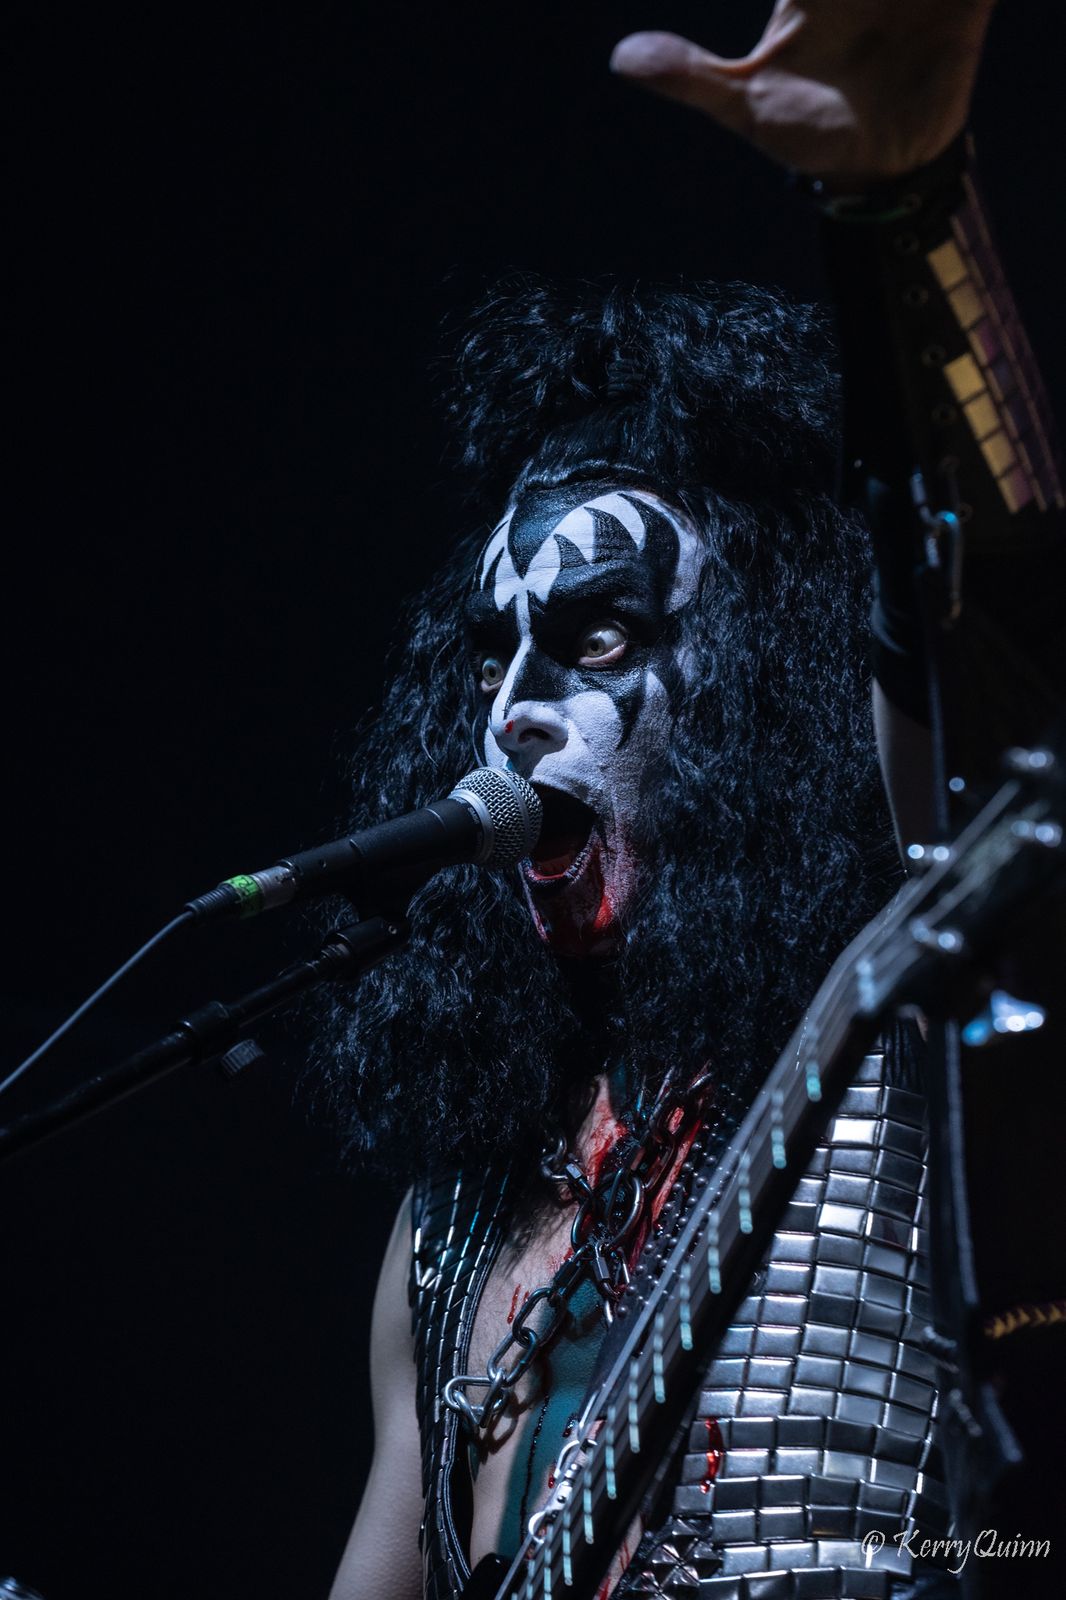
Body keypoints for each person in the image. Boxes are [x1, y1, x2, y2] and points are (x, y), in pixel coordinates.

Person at [326, 4, 1065, 1596]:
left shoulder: (896, 1033)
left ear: (754, 685)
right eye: (495, 651)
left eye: (597, 636)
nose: (512, 704)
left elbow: (983, 667)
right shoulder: (449, 1226)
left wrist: (902, 216)